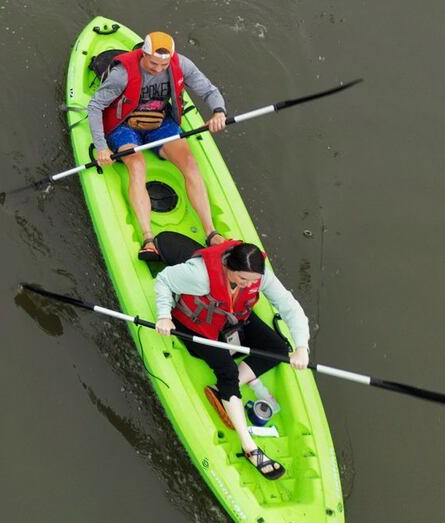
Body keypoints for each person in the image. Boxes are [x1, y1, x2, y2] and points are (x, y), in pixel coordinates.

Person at [153, 239, 311, 481]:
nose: (249, 284)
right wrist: (164, 316)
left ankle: (224, 391)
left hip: (232, 318)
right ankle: (249, 447)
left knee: (278, 348)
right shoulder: (199, 275)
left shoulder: (260, 275)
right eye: (243, 279)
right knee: (226, 368)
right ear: (228, 266)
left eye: (253, 281)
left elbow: (290, 307)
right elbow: (163, 280)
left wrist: (301, 347)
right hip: (196, 326)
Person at [86, 30, 229, 260]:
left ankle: (211, 232)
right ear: (143, 53)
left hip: (161, 123)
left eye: (164, 64)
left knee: (190, 164)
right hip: (124, 126)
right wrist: (101, 146)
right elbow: (95, 107)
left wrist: (219, 111)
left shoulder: (181, 64)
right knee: (137, 165)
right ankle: (148, 238)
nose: (159, 69)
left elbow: (209, 90)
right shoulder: (122, 74)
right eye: (153, 63)